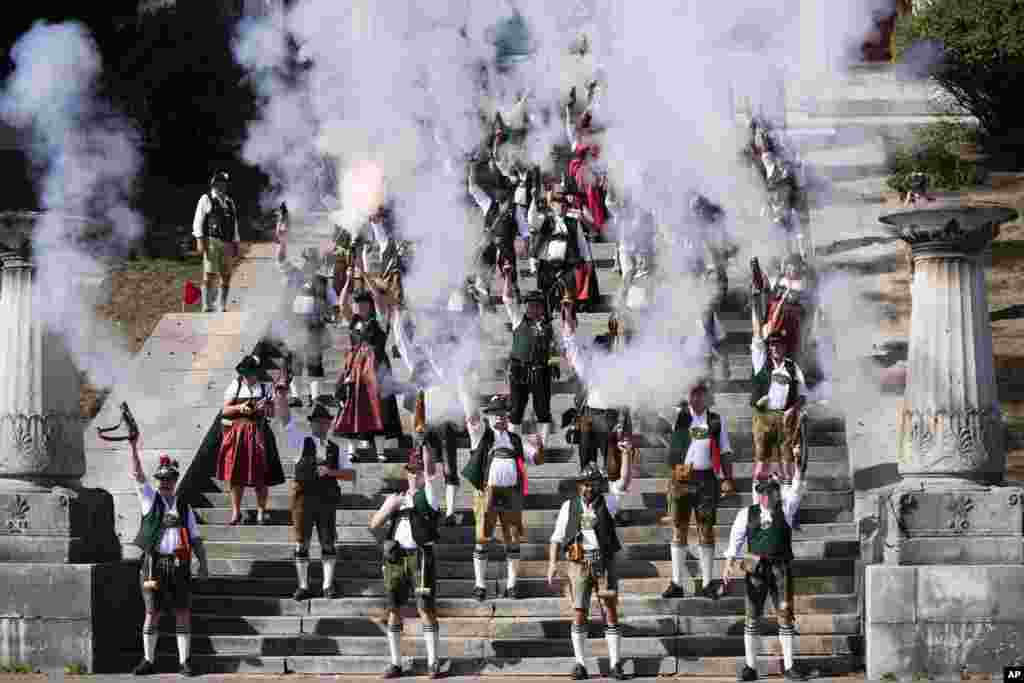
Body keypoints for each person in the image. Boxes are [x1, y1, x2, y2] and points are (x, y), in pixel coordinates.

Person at [129, 433, 209, 676]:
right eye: (162, 480)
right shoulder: (149, 500)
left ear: (175, 481)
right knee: (151, 612)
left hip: (179, 565)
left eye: (169, 480)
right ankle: (148, 660)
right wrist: (133, 447)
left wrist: (203, 563)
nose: (165, 484)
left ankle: (185, 662)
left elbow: (195, 538)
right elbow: (138, 475)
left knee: (182, 612)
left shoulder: (185, 507)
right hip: (154, 564)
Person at [722, 472, 809, 682]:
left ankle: (789, 667)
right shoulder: (746, 513)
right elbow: (735, 538)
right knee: (751, 617)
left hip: (781, 567)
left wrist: (798, 468)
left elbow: (796, 490)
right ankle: (750, 667)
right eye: (761, 493)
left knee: (785, 616)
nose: (765, 497)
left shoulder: (786, 509)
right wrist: (728, 564)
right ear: (757, 494)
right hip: (755, 567)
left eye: (770, 492)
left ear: (777, 493)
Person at [394, 306, 476, 526]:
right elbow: (401, 342)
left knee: (450, 467)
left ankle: (450, 511)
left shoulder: (447, 362)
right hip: (425, 420)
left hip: (446, 417)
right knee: (428, 468)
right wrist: (396, 314)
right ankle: (432, 507)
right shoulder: (419, 362)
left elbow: (448, 373)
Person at [368, 449, 445, 679]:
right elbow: (374, 524)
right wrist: (391, 506)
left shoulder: (428, 494)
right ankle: (396, 663)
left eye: (418, 471)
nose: (414, 475)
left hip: (420, 556)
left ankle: (433, 662)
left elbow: (430, 479)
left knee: (425, 608)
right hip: (396, 558)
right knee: (393, 609)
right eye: (411, 471)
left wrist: (426, 452)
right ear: (407, 472)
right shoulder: (395, 497)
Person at [547, 464, 627, 681]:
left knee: (609, 610)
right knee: (579, 611)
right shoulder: (568, 506)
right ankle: (580, 664)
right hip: (578, 563)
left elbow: (623, 482)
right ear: (578, 485)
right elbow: (556, 537)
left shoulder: (609, 502)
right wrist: (552, 564)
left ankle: (615, 663)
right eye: (584, 483)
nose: (588, 488)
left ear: (599, 485)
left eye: (592, 483)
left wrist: (626, 455)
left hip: (604, 562)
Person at [462, 399, 544, 601]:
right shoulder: (481, 433)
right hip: (485, 492)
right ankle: (480, 585)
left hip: (511, 494)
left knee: (513, 540)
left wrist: (540, 446)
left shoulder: (515, 439)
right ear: (488, 416)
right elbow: (472, 419)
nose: (500, 415)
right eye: (496, 412)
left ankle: (512, 585)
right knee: (482, 539)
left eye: (503, 412)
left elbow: (537, 459)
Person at [276, 394, 355, 601]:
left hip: (326, 498)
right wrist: (281, 397)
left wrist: (331, 472)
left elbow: (351, 474)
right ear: (311, 424)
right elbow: (285, 420)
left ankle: (327, 585)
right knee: (301, 542)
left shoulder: (336, 448)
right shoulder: (301, 442)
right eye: (317, 422)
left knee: (327, 542)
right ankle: (303, 586)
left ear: (329, 424)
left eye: (324, 422)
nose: (320, 425)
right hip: (303, 498)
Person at [661, 382, 736, 600]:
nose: (697, 397)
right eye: (693, 393)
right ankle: (676, 583)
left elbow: (725, 451)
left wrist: (728, 478)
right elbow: (655, 407)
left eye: (701, 393)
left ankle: (707, 583)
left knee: (706, 529)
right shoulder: (677, 415)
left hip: (707, 479)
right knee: (679, 528)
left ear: (706, 395)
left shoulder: (716, 420)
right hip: (681, 478)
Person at [559, 312, 636, 505]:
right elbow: (575, 350)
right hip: (590, 413)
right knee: (586, 463)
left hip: (613, 414)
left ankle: (613, 507)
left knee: (613, 467)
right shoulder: (597, 347)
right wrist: (568, 324)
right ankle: (586, 505)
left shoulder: (629, 350)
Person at [332, 280, 404, 462]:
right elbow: (342, 305)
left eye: (363, 303)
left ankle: (380, 451)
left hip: (377, 369)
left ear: (370, 305)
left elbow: (380, 300)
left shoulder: (379, 320)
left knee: (379, 408)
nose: (359, 307)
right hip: (356, 369)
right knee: (353, 407)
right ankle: (352, 450)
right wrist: (348, 280)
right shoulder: (354, 321)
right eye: (357, 304)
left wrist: (364, 275)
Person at [216, 355, 286, 525]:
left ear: (256, 372)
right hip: (238, 432)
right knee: (235, 475)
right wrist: (241, 407)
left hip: (260, 432)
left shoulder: (267, 387)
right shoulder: (236, 385)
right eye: (245, 373)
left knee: (261, 475)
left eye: (250, 373)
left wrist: (270, 405)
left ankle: (261, 511)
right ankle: (236, 512)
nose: (247, 376)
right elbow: (225, 411)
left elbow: (272, 414)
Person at [750, 308, 808, 486]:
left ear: (785, 347)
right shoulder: (761, 362)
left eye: (779, 344)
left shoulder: (793, 368)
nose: (775, 348)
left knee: (786, 460)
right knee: (762, 461)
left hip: (785, 417)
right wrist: (755, 304)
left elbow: (803, 396)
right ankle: (758, 498)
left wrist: (793, 409)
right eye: (773, 345)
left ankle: (786, 494)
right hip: (763, 417)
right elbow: (757, 337)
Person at [276, 242, 338, 407]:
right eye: (307, 260)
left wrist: (333, 315)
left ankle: (316, 397)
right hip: (296, 324)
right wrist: (282, 242)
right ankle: (295, 396)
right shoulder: (294, 274)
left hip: (315, 325)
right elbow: (281, 260)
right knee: (295, 362)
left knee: (315, 362)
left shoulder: (323, 282)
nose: (309, 264)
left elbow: (334, 302)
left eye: (313, 261)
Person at [502, 271, 558, 446]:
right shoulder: (518, 319)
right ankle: (513, 446)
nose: (533, 308)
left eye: (537, 305)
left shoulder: (549, 326)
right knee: (516, 410)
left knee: (542, 410)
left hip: (541, 371)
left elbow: (555, 348)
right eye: (530, 305)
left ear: (542, 307)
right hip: (519, 370)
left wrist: (554, 365)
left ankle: (543, 446)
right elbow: (507, 298)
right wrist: (508, 278)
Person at [528, 181, 596, 317]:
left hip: (568, 265)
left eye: (565, 205)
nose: (562, 207)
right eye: (559, 205)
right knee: (547, 297)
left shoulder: (573, 222)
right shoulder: (546, 220)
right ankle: (547, 321)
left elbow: (582, 242)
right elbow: (531, 219)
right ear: (552, 206)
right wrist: (533, 200)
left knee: (568, 299)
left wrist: (588, 260)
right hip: (548, 265)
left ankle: (569, 324)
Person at [192, 171, 241, 313]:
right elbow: (198, 221)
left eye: (224, 183)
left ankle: (222, 305)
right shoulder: (206, 199)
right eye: (219, 183)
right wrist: (199, 240)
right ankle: (207, 305)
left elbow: (235, 224)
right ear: (213, 184)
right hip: (211, 240)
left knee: (226, 275)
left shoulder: (230, 202)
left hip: (227, 242)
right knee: (209, 274)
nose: (221, 186)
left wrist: (236, 242)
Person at [757, 253, 818, 367]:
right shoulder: (780, 281)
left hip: (795, 321)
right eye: (788, 268)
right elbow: (771, 298)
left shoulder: (804, 284)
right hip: (777, 321)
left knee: (795, 347)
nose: (790, 271)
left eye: (793, 268)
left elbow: (809, 305)